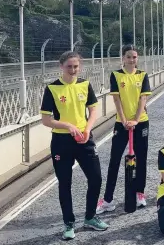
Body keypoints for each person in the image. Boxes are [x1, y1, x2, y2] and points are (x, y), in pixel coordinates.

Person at [40, 51, 108, 240]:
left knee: (96, 178)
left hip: (84, 139)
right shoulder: (52, 89)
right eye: (69, 66)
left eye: (75, 66)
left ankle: (90, 217)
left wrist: (87, 129)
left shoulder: (85, 84)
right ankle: (68, 224)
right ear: (61, 66)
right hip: (62, 142)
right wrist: (67, 125)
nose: (72, 70)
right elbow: (46, 120)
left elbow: (93, 110)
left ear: (80, 67)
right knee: (65, 183)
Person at [96, 44, 152, 214]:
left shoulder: (143, 76)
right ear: (123, 58)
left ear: (137, 58)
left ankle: (139, 193)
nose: (131, 60)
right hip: (121, 123)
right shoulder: (115, 75)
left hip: (141, 122)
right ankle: (107, 199)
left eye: (134, 57)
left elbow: (143, 99)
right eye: (128, 56)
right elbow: (117, 100)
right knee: (114, 160)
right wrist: (125, 120)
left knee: (141, 159)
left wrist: (135, 120)